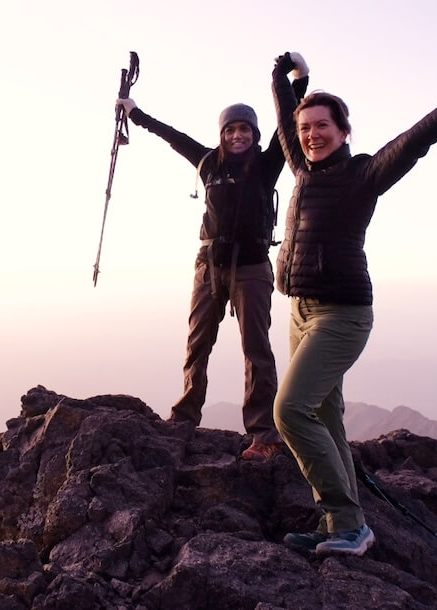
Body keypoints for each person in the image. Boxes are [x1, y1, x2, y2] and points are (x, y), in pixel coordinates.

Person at [269, 48, 437, 555]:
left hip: (341, 315)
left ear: (344, 132)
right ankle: (339, 525)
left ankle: (349, 524)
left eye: (323, 126)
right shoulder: (301, 169)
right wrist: (285, 77)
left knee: (289, 411)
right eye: (306, 128)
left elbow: (419, 138)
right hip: (298, 311)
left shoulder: (364, 175)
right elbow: (285, 118)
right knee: (325, 418)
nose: (311, 134)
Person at [116, 61, 311, 460]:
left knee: (256, 349)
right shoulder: (207, 162)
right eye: (230, 130)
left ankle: (263, 434)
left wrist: (300, 82)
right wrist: (134, 113)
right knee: (197, 342)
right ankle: (185, 416)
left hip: (253, 267)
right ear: (221, 135)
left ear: (254, 136)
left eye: (244, 130)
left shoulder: (268, 163)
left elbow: (290, 124)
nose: (237, 135)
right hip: (208, 265)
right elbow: (171, 135)